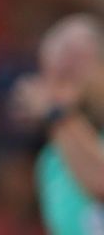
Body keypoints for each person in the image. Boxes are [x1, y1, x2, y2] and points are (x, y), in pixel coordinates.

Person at [13, 14, 104, 234]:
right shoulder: (52, 159)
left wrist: (55, 113)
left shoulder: (60, 121)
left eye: (78, 58)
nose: (65, 63)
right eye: (58, 54)